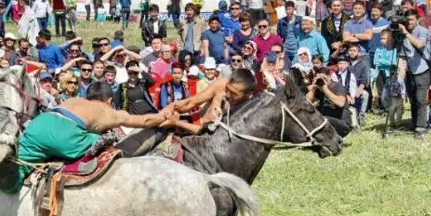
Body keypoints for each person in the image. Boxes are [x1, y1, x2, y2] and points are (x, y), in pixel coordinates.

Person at [13, 82, 171, 187]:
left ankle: (9, 179)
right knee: (110, 142)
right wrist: (164, 116)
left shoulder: (74, 99)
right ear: (109, 100)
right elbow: (144, 121)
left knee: (17, 169)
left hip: (39, 124)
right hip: (66, 135)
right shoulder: (107, 111)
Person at [161, 69, 258, 135]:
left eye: (234, 93)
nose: (227, 94)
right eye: (227, 89)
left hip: (210, 139)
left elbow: (206, 132)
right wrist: (172, 107)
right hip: (193, 122)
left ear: (248, 94)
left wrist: (176, 123)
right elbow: (191, 102)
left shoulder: (247, 110)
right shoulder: (221, 84)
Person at [400, 11, 431, 140]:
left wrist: (406, 34)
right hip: (410, 71)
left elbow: (420, 44)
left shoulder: (422, 31)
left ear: (417, 19)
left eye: (412, 19)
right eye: (407, 20)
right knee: (413, 99)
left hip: (422, 69)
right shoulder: (402, 33)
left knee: (420, 100)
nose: (409, 22)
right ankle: (415, 123)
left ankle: (421, 127)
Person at [306, 63, 351, 134]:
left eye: (324, 78)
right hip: (325, 121)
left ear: (330, 77)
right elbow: (307, 102)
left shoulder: (337, 86)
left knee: (321, 119)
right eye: (319, 79)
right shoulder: (318, 88)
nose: (322, 81)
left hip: (342, 123)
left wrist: (325, 90)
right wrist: (313, 88)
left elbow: (341, 103)